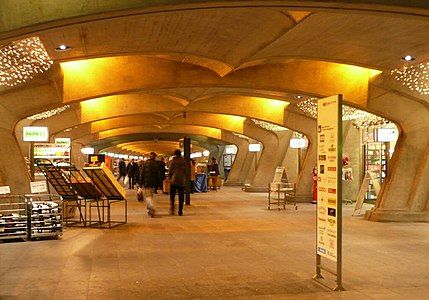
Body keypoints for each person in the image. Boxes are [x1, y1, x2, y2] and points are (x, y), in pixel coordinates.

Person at [138, 152, 159, 217]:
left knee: (148, 196)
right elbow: (158, 174)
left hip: (146, 182)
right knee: (151, 196)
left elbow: (142, 174)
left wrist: (140, 184)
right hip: (153, 183)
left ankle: (151, 207)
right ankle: (149, 209)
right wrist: (158, 183)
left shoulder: (145, 163)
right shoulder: (156, 164)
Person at [169, 149, 187, 216]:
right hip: (182, 181)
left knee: (172, 196)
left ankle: (173, 209)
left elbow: (170, 170)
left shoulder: (173, 161)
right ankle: (180, 211)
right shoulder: (183, 161)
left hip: (174, 180)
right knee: (181, 197)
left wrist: (170, 177)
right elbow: (186, 171)